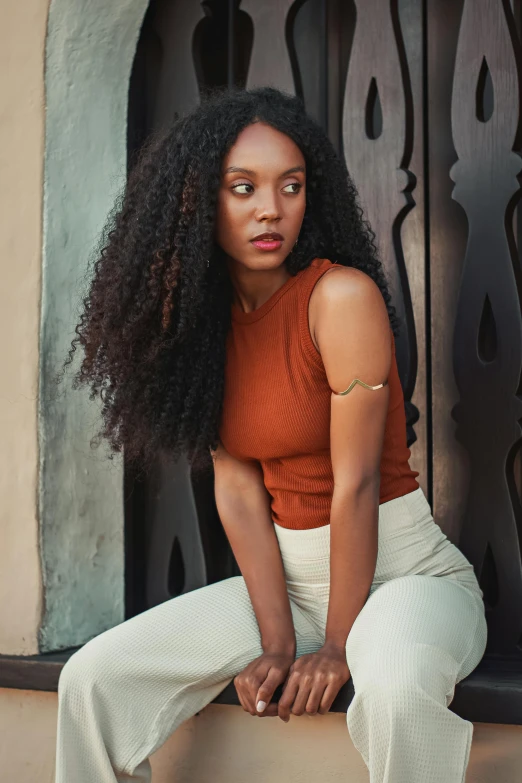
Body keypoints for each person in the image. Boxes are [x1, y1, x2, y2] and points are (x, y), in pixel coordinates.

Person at [54, 86, 487, 783]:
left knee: (398, 692)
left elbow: (356, 484)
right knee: (93, 677)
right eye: (242, 187)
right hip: (289, 584)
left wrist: (338, 645)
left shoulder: (339, 298)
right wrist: (280, 639)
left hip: (404, 576)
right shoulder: (203, 330)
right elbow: (238, 487)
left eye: (291, 186)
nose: (270, 209)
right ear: (199, 201)